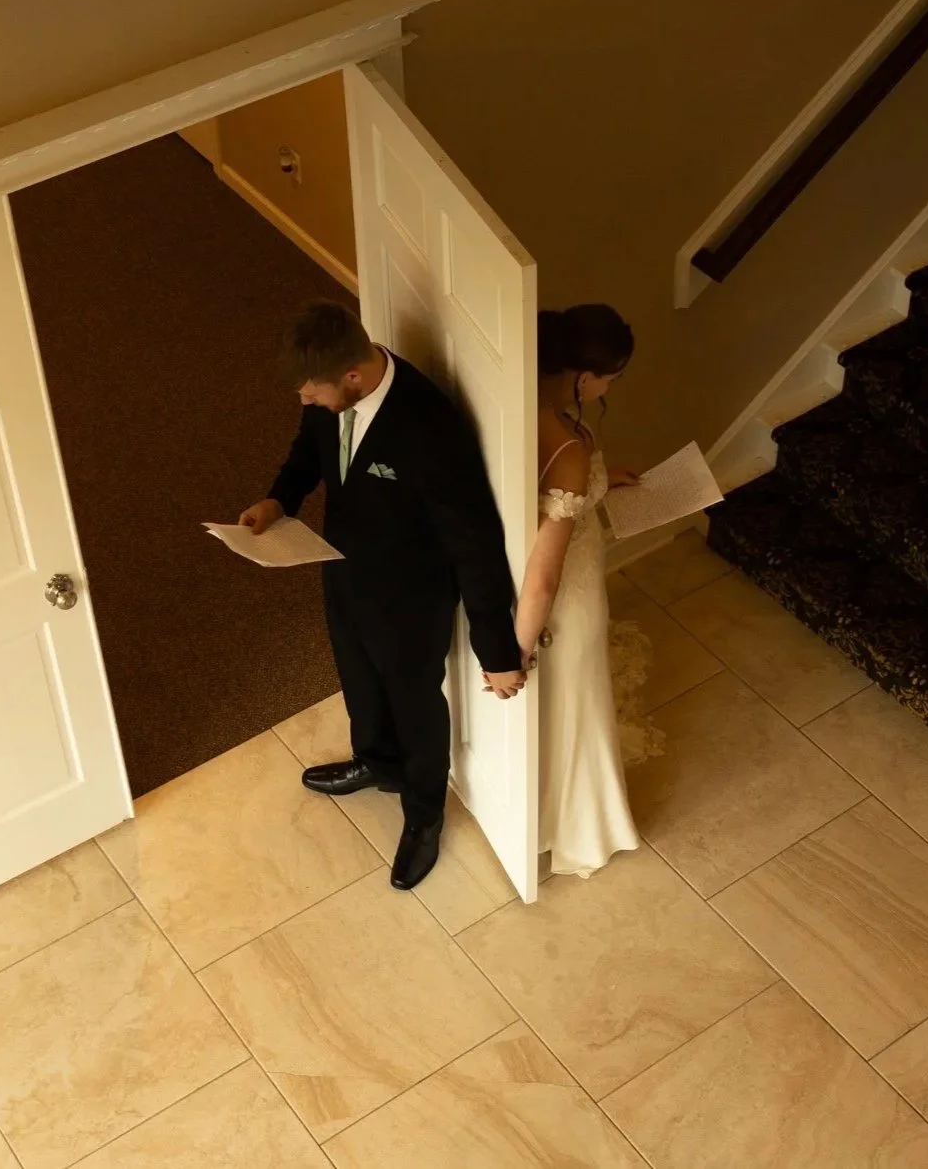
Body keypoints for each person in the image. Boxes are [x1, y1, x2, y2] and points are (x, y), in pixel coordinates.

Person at [240, 301, 526, 891]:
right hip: (342, 569)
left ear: (351, 375)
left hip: (411, 595)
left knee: (414, 702)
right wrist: (279, 500)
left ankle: (423, 816)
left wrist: (497, 650)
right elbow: (307, 452)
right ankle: (376, 761)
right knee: (358, 679)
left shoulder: (430, 428)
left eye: (311, 392)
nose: (304, 402)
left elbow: (474, 541)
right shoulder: (330, 399)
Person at [511, 304, 642, 877]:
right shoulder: (566, 449)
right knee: (571, 707)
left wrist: (599, 479)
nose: (611, 387)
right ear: (584, 377)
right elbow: (545, 573)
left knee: (555, 708)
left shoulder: (516, 408)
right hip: (568, 597)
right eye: (612, 377)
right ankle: (570, 827)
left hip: (537, 573)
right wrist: (515, 648)